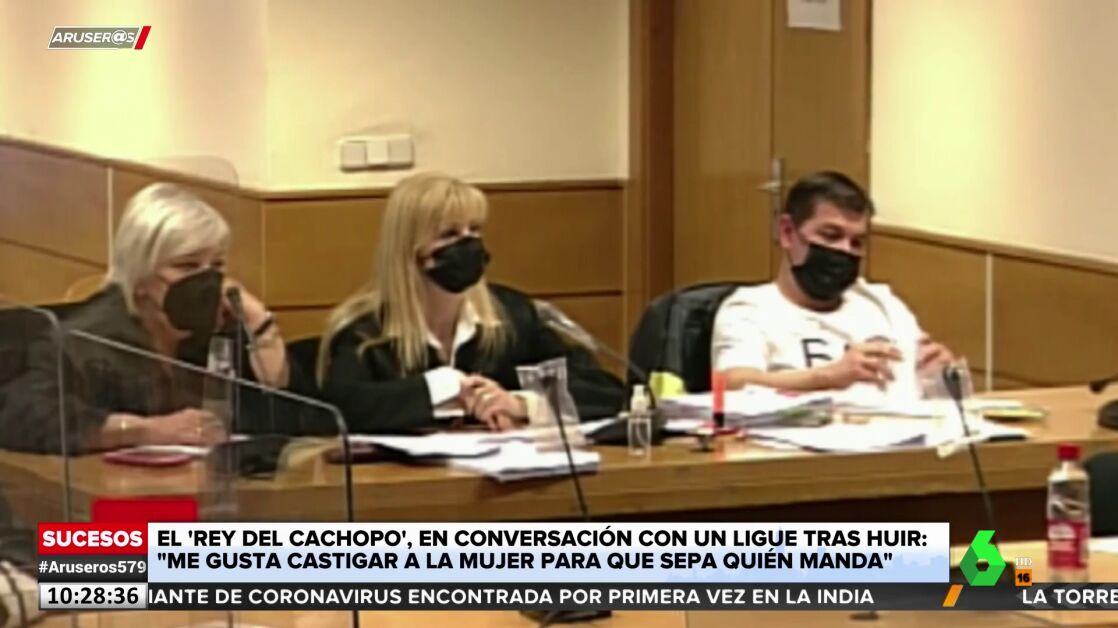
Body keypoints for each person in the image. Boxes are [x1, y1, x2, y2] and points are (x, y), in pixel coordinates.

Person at [0, 183, 305, 454]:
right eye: (187, 266)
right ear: (141, 276)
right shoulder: (85, 339)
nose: (207, 281)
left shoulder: (218, 330)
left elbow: (293, 419)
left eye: (216, 266)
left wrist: (260, 324)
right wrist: (146, 431)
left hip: (212, 494)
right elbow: (23, 416)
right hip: (116, 497)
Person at [319, 172, 624, 433]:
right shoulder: (364, 332)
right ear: (410, 251)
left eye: (475, 230)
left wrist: (519, 403)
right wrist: (445, 387)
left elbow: (605, 391)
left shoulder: (513, 315)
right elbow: (339, 411)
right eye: (449, 234)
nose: (468, 244)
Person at [711, 171, 954, 401]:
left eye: (856, 242)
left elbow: (929, 386)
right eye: (830, 235)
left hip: (899, 427)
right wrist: (829, 376)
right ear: (787, 232)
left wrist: (943, 378)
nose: (844, 250)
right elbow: (732, 383)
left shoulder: (881, 302)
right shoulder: (750, 309)